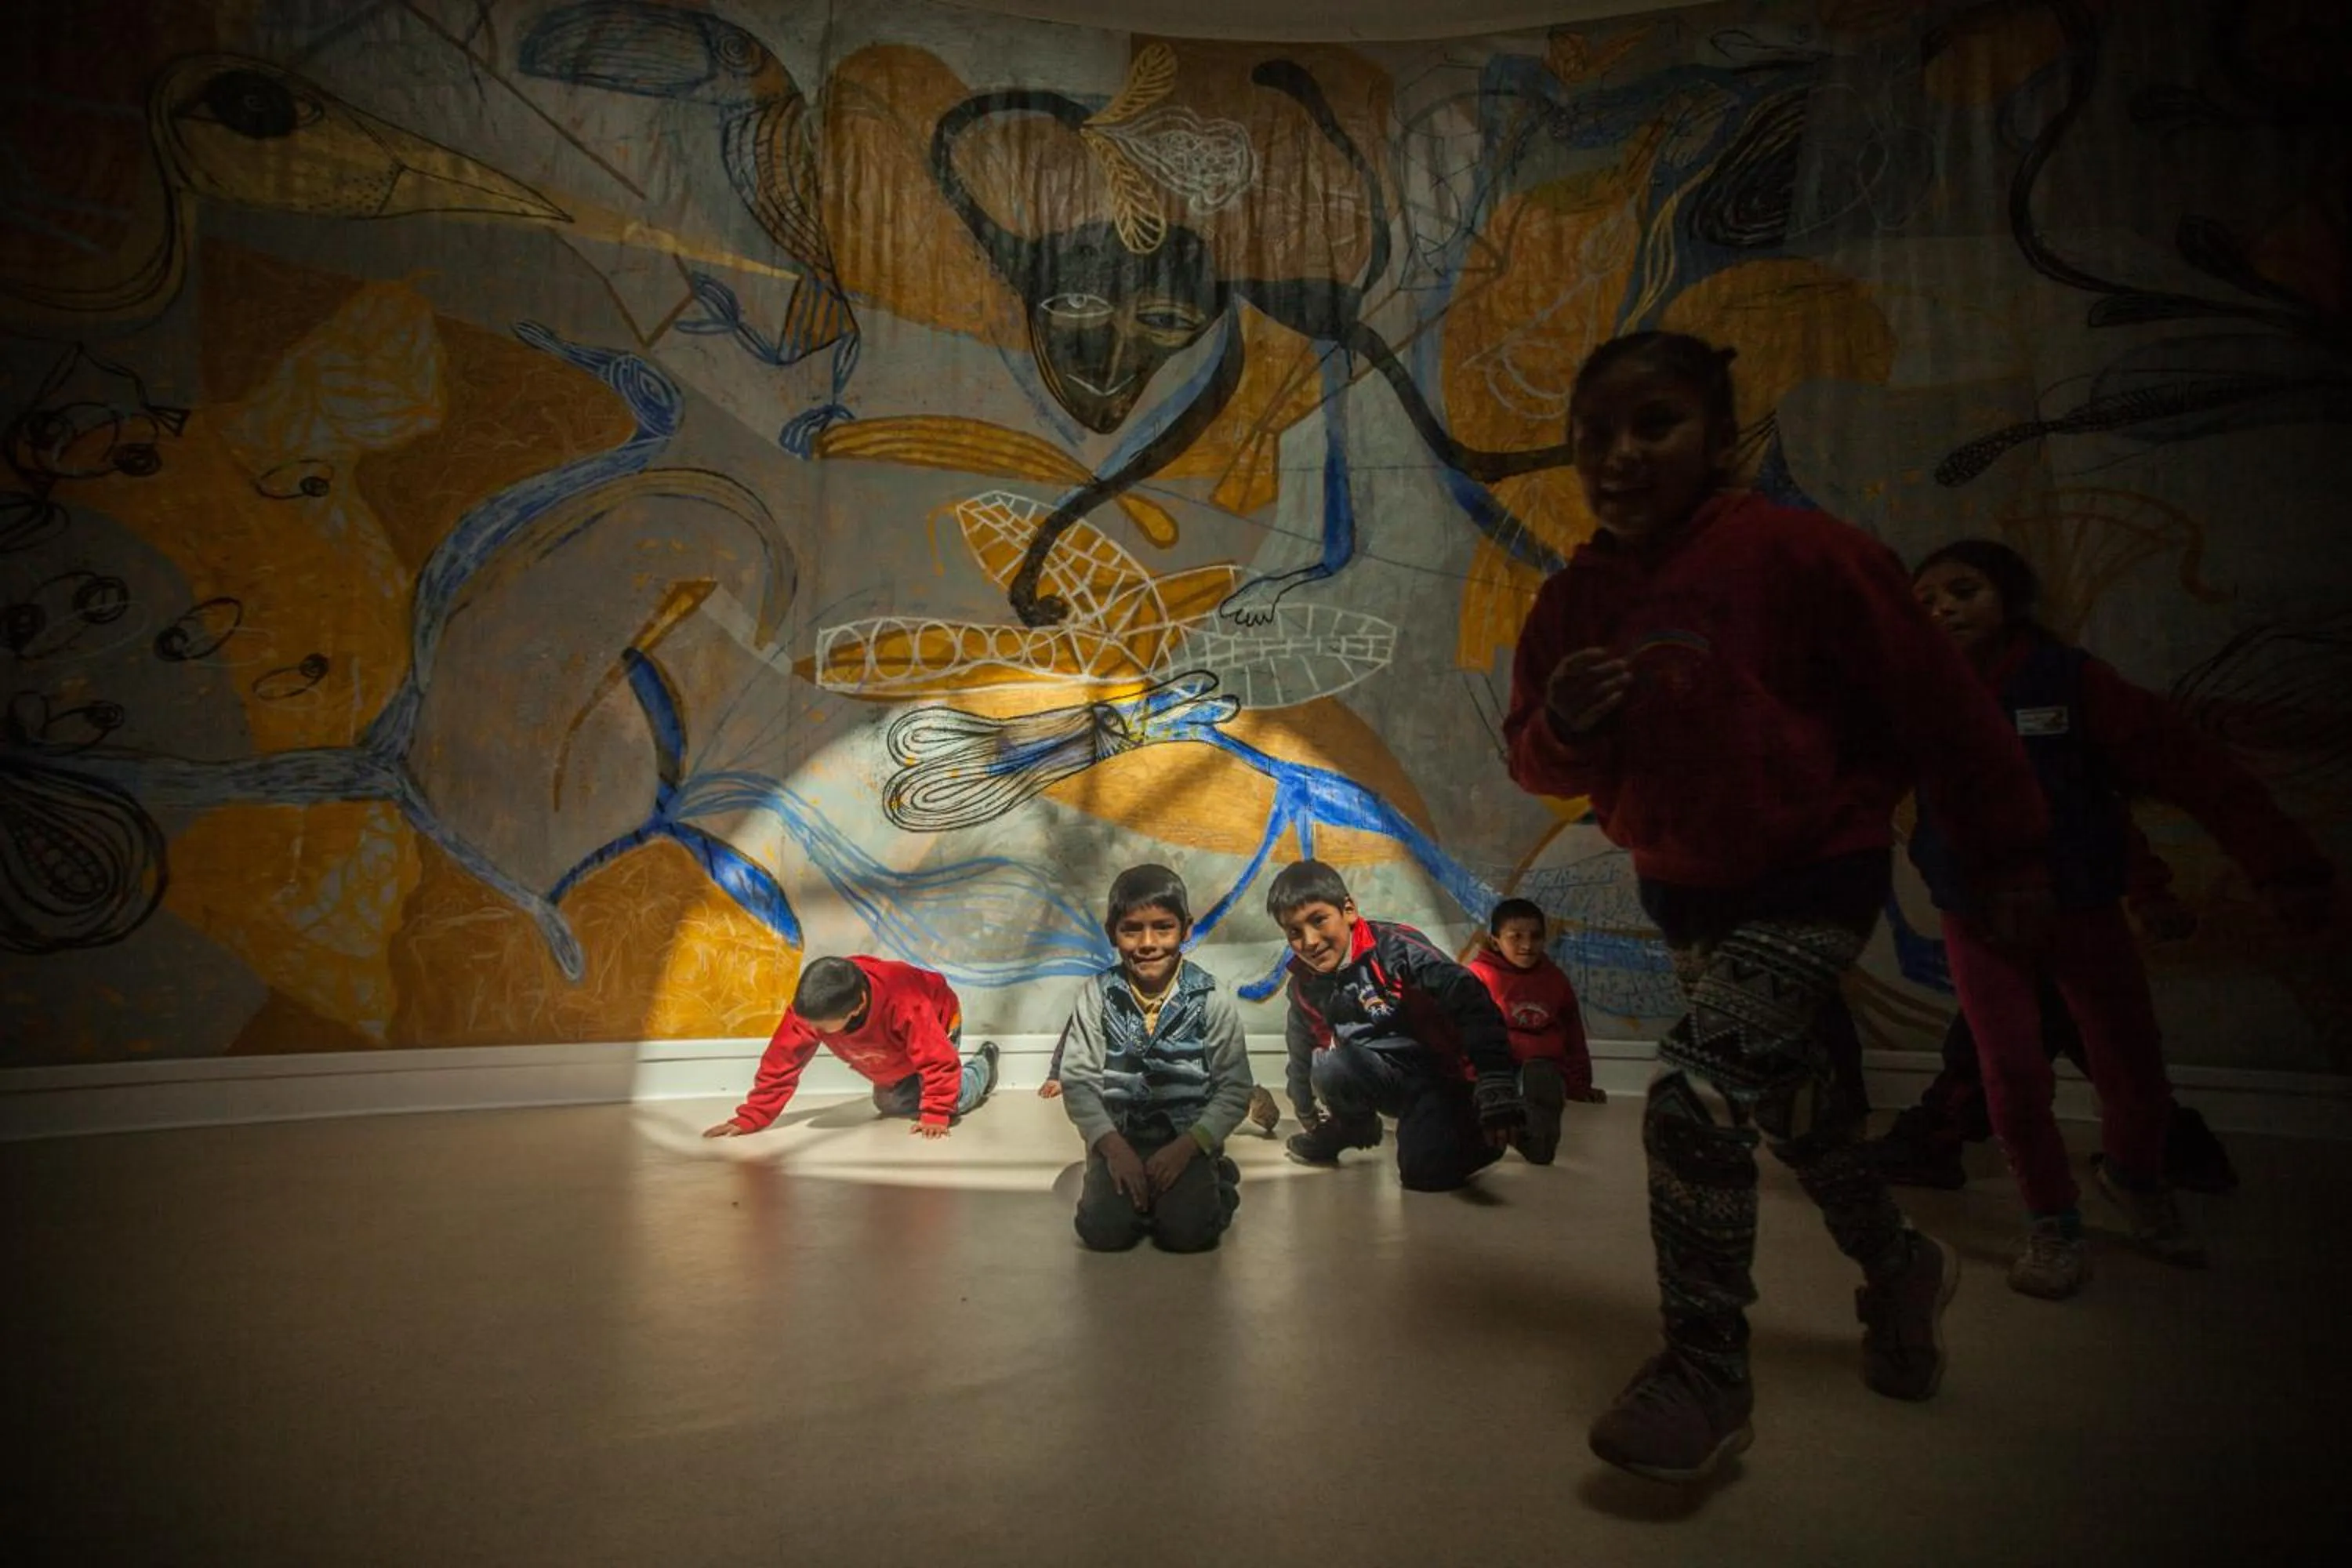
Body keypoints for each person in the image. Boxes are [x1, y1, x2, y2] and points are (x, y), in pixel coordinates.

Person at [1504, 329, 2056, 1484]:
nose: (1620, 453)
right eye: (1594, 433)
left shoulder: (1807, 556)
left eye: (1654, 424)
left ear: (1719, 436)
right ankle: (1899, 1263)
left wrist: (2009, 858)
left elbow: (1944, 710)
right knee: (1799, 1113)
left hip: (1817, 875)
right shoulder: (1573, 602)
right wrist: (1567, 720)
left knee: (1692, 1104)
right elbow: (1538, 768)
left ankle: (1704, 1373)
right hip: (1683, 890)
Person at [1907, 539, 2333, 1297]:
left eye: (1962, 590)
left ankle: (2136, 1178)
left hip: (2081, 909)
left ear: (2007, 598)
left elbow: (2189, 773)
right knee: (2010, 1070)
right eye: (1926, 599)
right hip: (1978, 919)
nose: (1941, 606)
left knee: (2131, 1064)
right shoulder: (1918, 697)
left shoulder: (2070, 683)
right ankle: (2052, 1222)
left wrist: (2281, 871)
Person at [1272, 859, 1526, 1191]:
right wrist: (1306, 1111)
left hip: (1434, 1077)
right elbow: (1300, 1049)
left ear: (1348, 910)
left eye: (1318, 920)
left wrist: (1493, 1076)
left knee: (1422, 1175)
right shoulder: (1304, 984)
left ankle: (1498, 1127)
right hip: (1378, 1076)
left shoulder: (1395, 948)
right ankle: (1353, 1127)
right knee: (1329, 1066)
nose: (1309, 941)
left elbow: (1466, 993)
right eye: (1294, 932)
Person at [1055, 865, 1254, 1252]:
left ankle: (1217, 1178)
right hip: (1119, 1139)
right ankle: (1128, 1187)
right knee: (1102, 1234)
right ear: (1112, 932)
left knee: (1189, 1237)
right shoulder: (1096, 996)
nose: (1148, 943)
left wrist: (1188, 1150)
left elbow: (1235, 1088)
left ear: (1186, 929)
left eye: (1163, 927)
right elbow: (1078, 1083)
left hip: (1186, 1139)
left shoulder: (1211, 999)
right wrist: (1113, 1150)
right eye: (1132, 929)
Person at [703, 956, 998, 1139]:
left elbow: (937, 1060)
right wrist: (751, 1117)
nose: (812, 1032)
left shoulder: (906, 1001)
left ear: (858, 1006)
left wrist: (935, 1113)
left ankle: (983, 1064)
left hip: (939, 1021)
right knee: (891, 1105)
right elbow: (782, 1061)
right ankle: (922, 1089)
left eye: (823, 1027)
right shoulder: (814, 1008)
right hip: (890, 1050)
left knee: (950, 1101)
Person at [1468, 898, 1604, 1165]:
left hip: (1543, 1069)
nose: (1527, 945)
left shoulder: (1554, 978)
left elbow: (1573, 1034)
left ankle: (1536, 1136)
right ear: (1495, 940)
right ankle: (1508, 1132)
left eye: (1535, 936)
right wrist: (1470, 1076)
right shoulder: (1478, 976)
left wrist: (1580, 1084)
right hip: (1496, 1071)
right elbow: (1465, 1032)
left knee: (1540, 1078)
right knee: (1488, 1101)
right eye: (1515, 937)